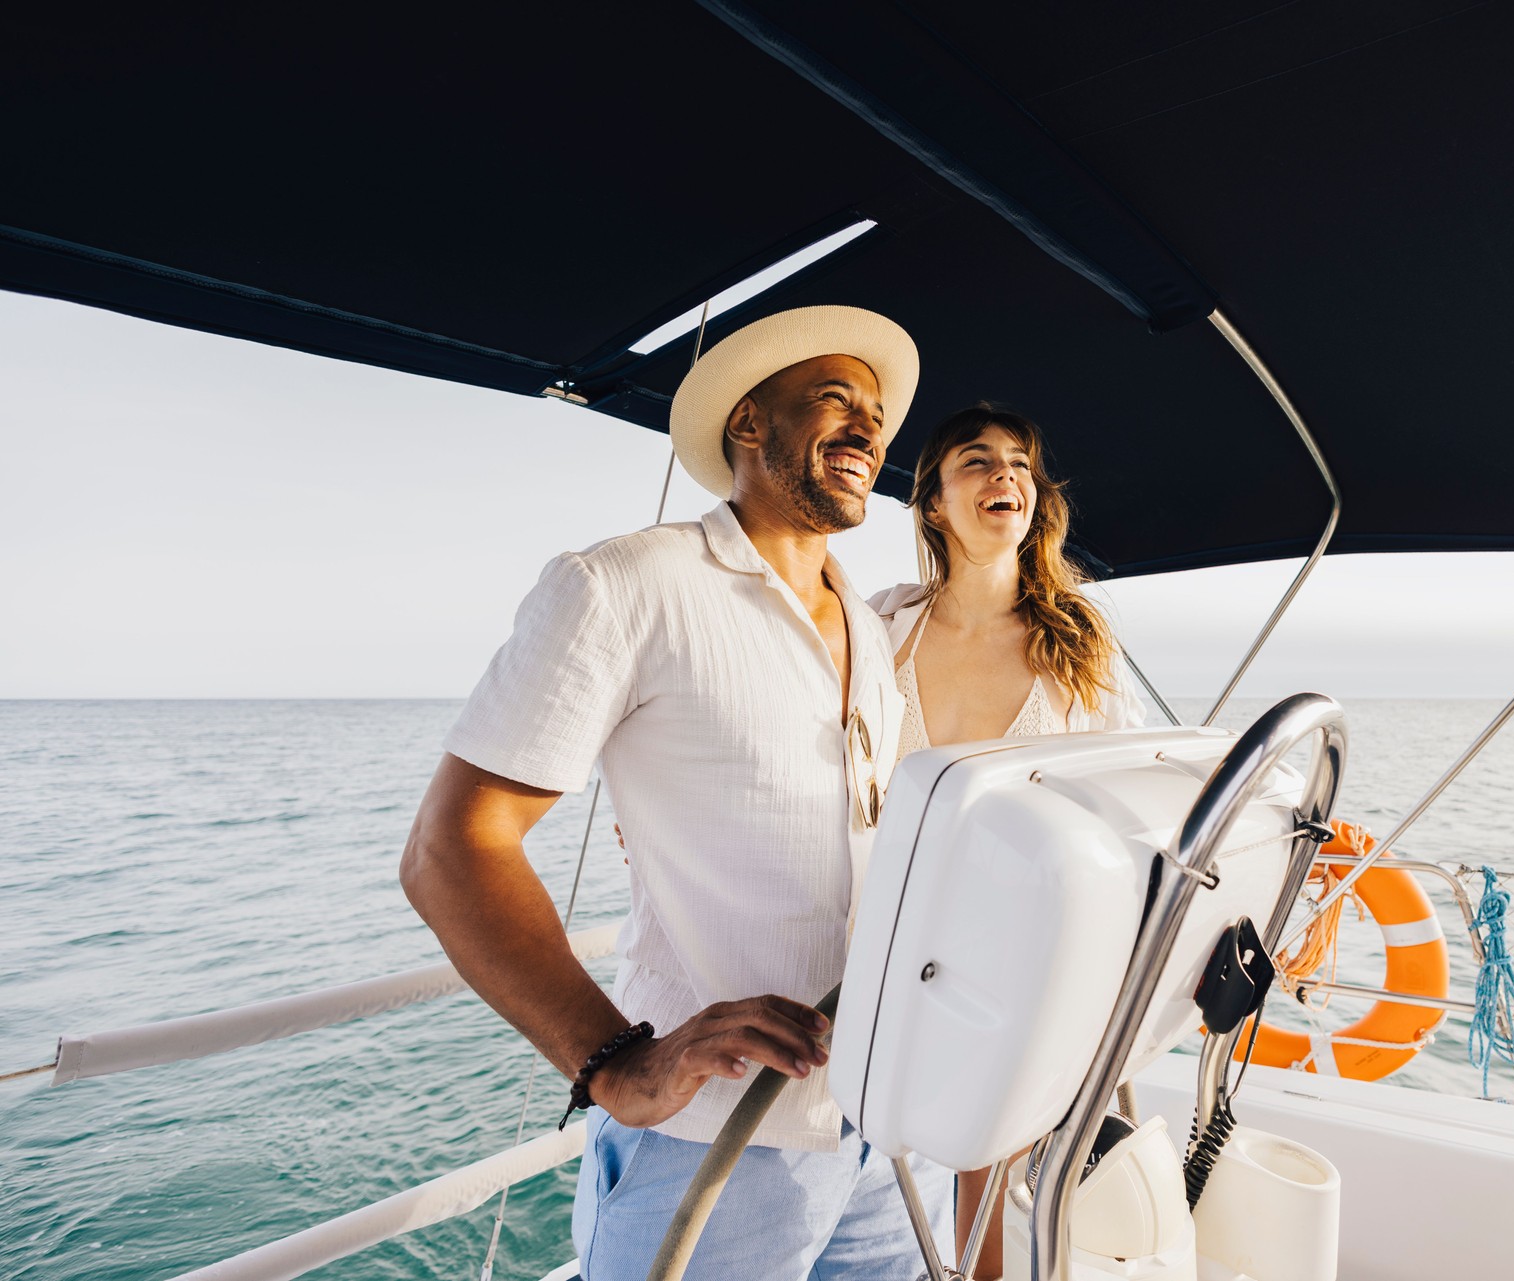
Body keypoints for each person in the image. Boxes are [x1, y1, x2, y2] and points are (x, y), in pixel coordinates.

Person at [400, 305, 952, 1281]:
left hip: (876, 1129)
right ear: (748, 423)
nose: (870, 429)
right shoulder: (625, 584)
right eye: (836, 400)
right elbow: (455, 849)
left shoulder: (868, 629)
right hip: (708, 1144)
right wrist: (613, 1060)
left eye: (877, 414)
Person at [869, 402, 1144, 1275]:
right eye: (978, 461)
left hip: (1022, 951)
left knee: (991, 1185)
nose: (1008, 477)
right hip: (883, 944)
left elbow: (1129, 799)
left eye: (1022, 464)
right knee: (881, 1183)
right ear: (933, 505)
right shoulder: (879, 628)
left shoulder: (1078, 643)